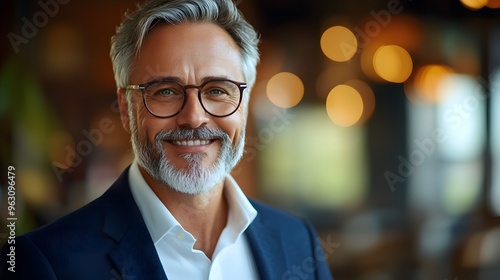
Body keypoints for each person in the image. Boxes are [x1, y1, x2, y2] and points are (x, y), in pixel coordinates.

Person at [0, 0, 333, 279]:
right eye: (166, 91)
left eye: (217, 90)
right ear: (126, 108)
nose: (194, 117)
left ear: (244, 105)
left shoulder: (297, 242)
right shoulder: (44, 262)